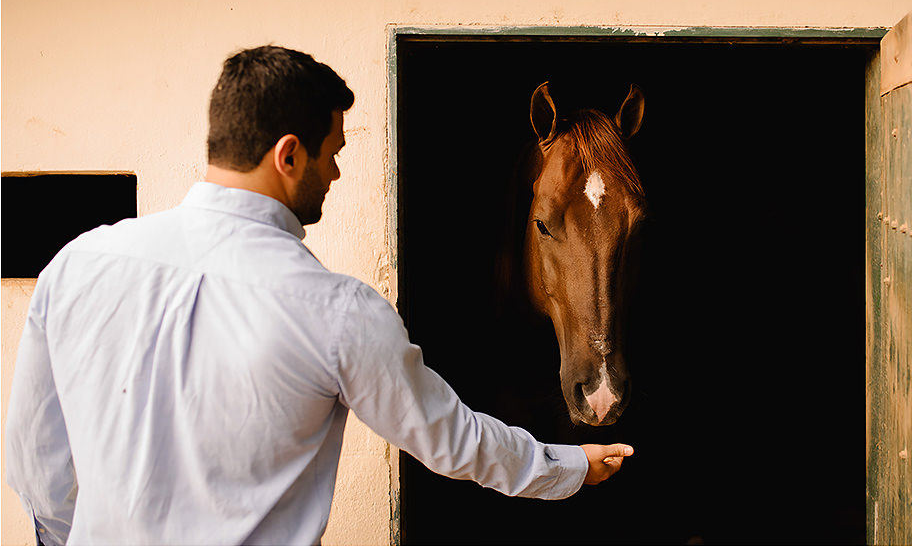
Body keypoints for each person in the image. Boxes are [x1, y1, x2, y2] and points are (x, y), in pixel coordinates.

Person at [5, 46, 634, 545]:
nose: (335, 173)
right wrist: (571, 466)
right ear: (288, 155)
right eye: (332, 153)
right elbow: (453, 442)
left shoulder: (79, 265)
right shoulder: (337, 312)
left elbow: (38, 464)